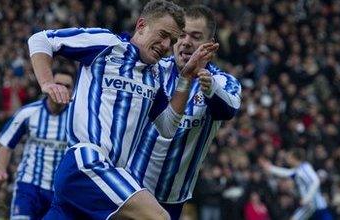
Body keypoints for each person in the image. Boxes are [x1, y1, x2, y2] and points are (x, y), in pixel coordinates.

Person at [27, 0, 218, 219]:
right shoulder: (106, 44)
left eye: (172, 40)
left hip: (105, 178)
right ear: (141, 25)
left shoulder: (154, 75)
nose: (166, 45)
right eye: (163, 34)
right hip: (87, 162)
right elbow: (41, 39)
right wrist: (47, 82)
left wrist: (185, 78)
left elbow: (167, 126)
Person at [125, 5, 241, 220]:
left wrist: (209, 87)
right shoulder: (154, 69)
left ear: (211, 45)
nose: (186, 42)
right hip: (132, 186)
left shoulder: (222, 82)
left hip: (173, 199)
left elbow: (228, 110)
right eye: (182, 34)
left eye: (196, 37)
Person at [0, 68, 74, 220]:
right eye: (57, 83)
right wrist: (1, 170)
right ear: (49, 85)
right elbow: (6, 144)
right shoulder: (29, 113)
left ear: (72, 90)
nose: (61, 89)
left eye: (67, 86)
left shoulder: (77, 118)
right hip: (28, 186)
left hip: (59, 193)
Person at [259, 148, 333, 220]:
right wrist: (270, 168)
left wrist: (307, 198)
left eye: (289, 157)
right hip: (310, 207)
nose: (287, 159)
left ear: (294, 158)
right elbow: (286, 173)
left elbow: (316, 181)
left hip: (316, 206)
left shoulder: (305, 168)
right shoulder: (298, 170)